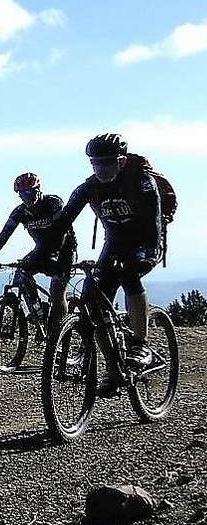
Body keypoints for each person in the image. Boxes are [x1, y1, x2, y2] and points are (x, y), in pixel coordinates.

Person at [48, 133, 164, 388]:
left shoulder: (142, 181)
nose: (100, 168)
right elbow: (63, 221)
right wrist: (50, 253)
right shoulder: (89, 187)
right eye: (95, 163)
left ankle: (140, 345)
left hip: (144, 240)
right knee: (92, 299)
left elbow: (154, 222)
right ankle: (114, 370)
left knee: (129, 274)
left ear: (121, 162)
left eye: (107, 162)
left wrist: (150, 253)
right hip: (113, 243)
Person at [0, 172, 79, 339]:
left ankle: (58, 331)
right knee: (22, 274)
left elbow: (61, 232)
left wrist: (51, 255)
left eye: (30, 192)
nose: (27, 197)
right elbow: (4, 235)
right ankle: (38, 313)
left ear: (38, 190)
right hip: (41, 250)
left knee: (57, 290)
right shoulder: (19, 212)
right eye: (22, 194)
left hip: (64, 250)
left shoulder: (53, 203)